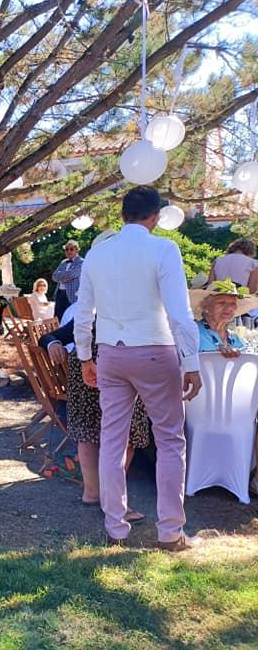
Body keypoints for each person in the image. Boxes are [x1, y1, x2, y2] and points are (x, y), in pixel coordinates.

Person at [75, 186, 202, 551]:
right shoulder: (163, 248)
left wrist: (86, 357)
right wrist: (191, 362)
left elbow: (84, 314)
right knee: (170, 440)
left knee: (112, 440)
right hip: (154, 350)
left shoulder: (97, 254)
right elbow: (180, 313)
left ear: (122, 214)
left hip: (110, 352)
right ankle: (170, 532)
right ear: (156, 216)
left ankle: (115, 527)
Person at [39, 303, 151, 515]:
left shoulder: (93, 314)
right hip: (101, 374)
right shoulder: (98, 316)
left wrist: (53, 340)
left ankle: (95, 494)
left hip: (91, 370)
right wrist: (53, 342)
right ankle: (109, 498)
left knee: (95, 432)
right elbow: (49, 337)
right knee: (123, 433)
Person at [189, 279, 258, 356]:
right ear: (205, 306)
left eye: (233, 303)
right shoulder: (192, 332)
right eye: (221, 303)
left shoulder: (235, 339)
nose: (229, 308)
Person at [52, 240, 83, 320]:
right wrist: (66, 277)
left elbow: (73, 274)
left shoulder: (81, 262)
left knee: (69, 318)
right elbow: (54, 276)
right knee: (58, 318)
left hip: (73, 294)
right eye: (66, 249)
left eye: (71, 249)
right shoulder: (63, 262)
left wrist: (61, 277)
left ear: (77, 250)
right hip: (60, 293)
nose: (69, 251)